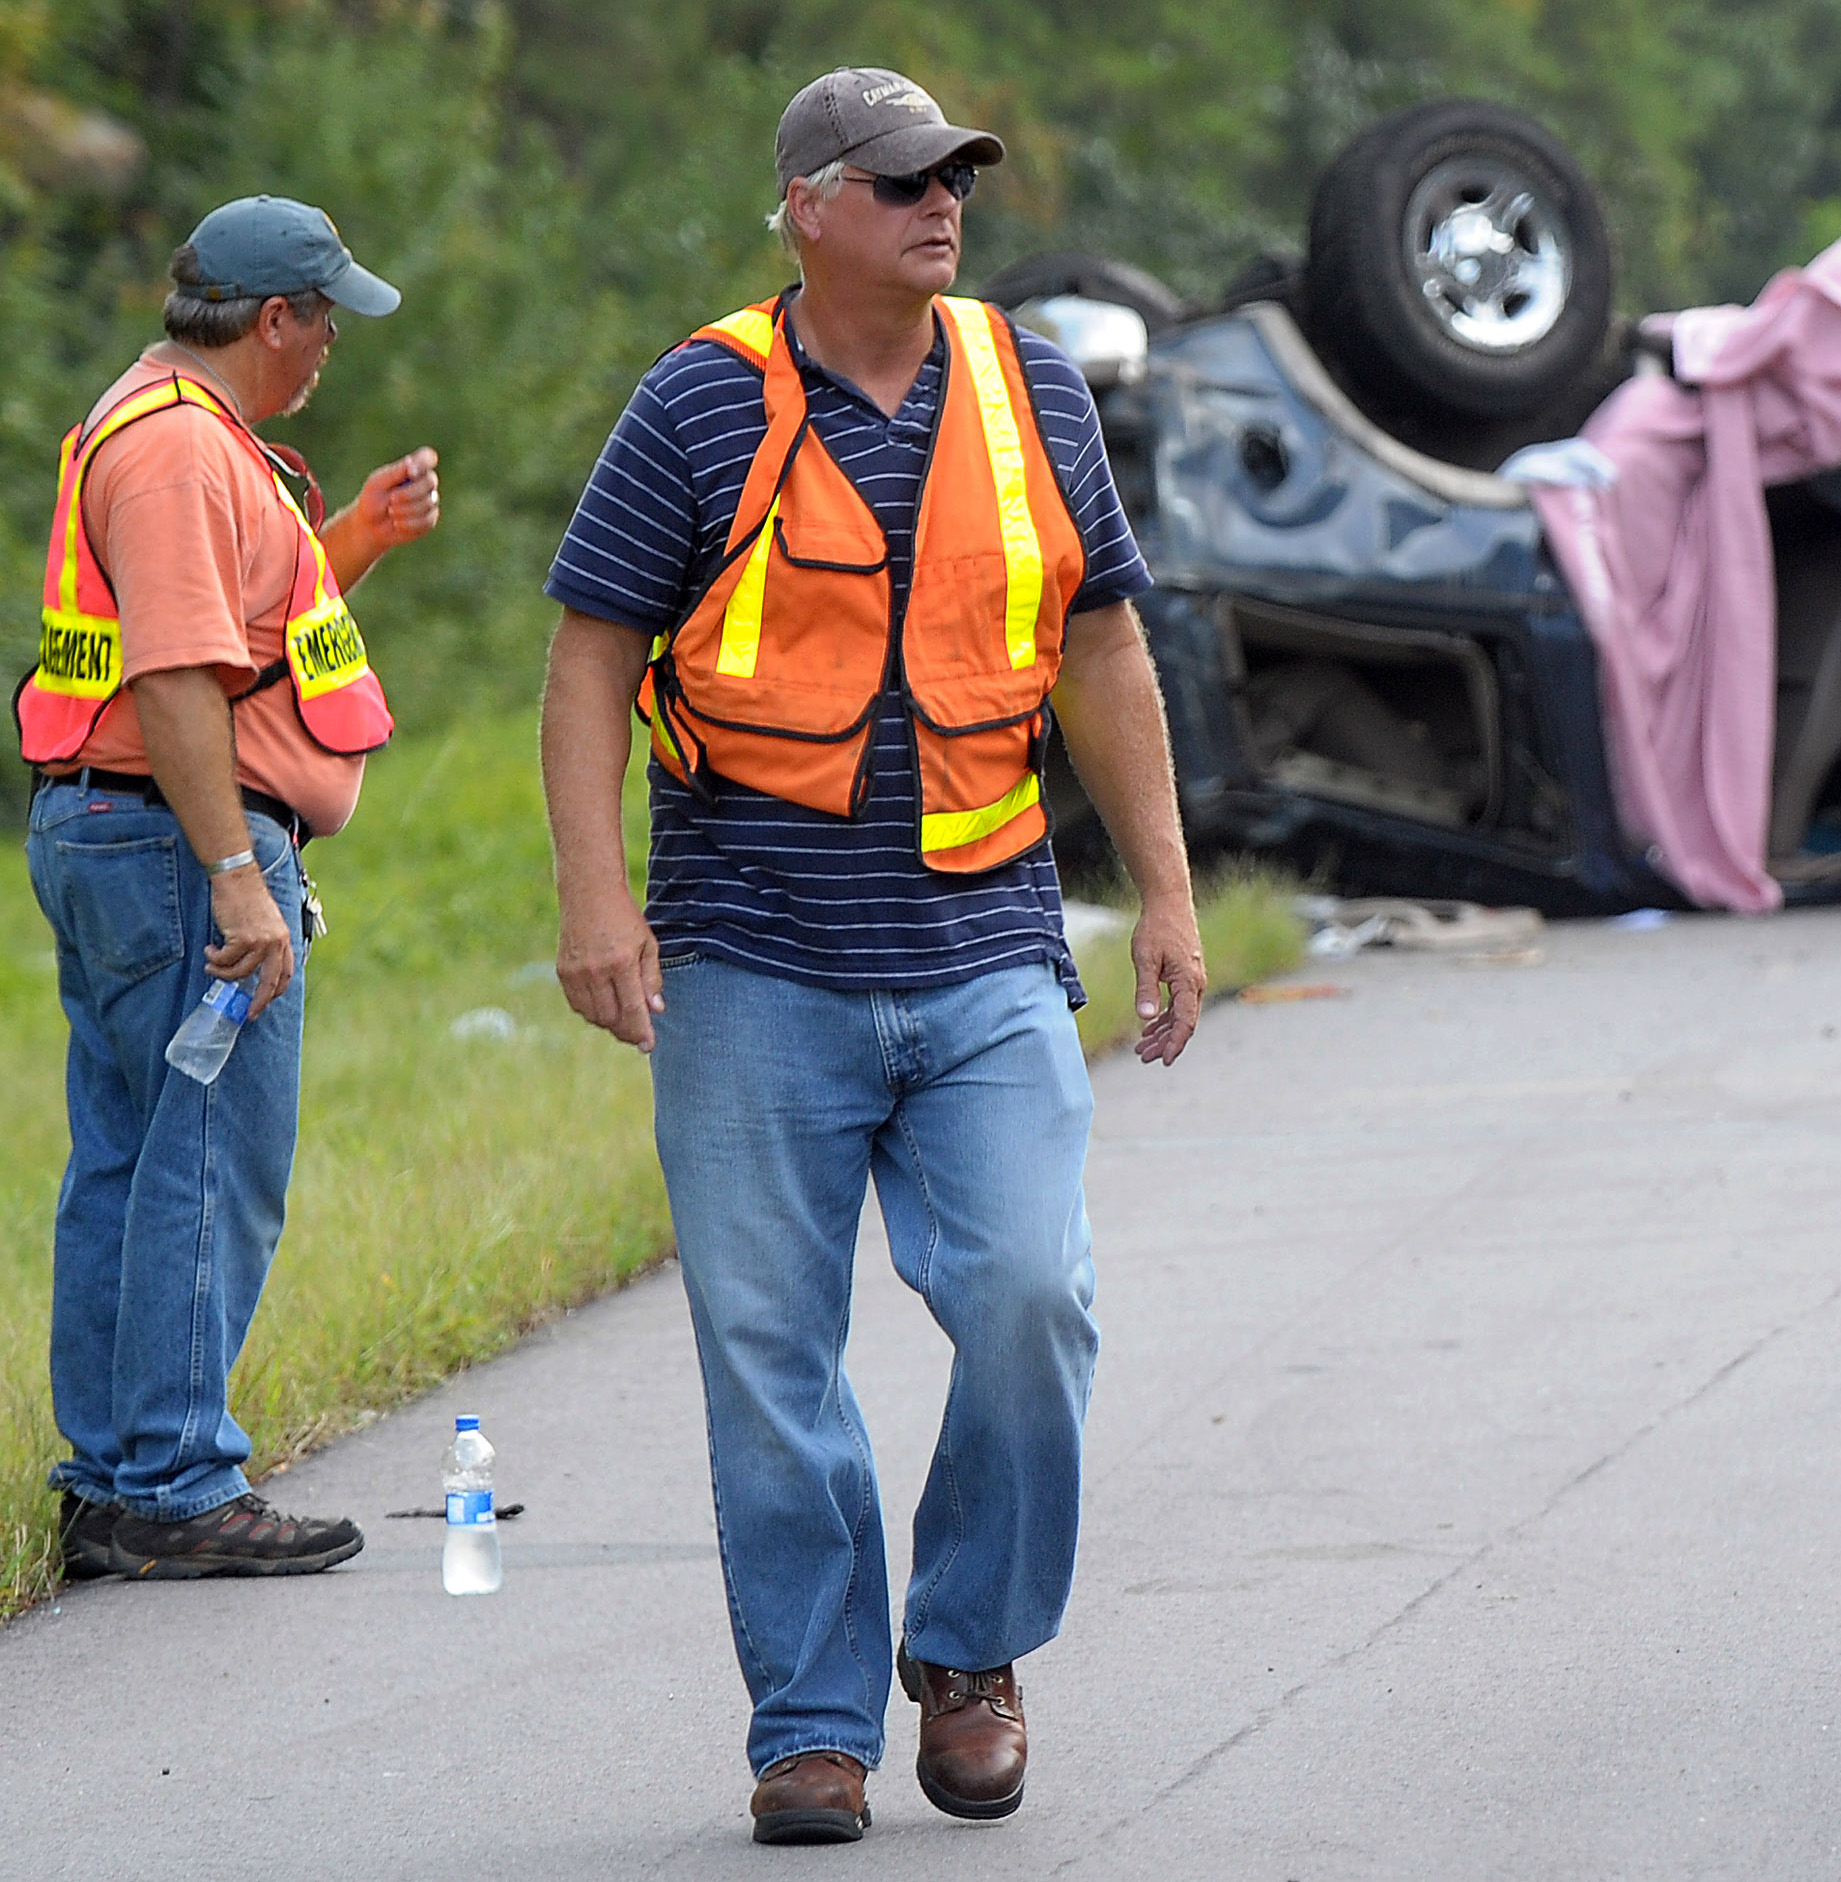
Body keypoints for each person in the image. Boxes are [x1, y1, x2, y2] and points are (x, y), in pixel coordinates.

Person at [538, 67, 1204, 1846]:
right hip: (752, 964)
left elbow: (1103, 646)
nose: (942, 202)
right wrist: (596, 901)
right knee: (772, 1359)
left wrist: (1168, 894)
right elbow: (593, 655)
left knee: (1030, 1303)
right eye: (903, 176)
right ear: (809, 207)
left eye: (956, 174)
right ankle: (812, 1722)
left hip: (985, 942)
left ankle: (970, 1648)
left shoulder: (1030, 384)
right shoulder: (698, 401)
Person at [17, 196, 439, 1581]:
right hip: (178, 851)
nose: (329, 344)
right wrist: (235, 881)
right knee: (208, 1165)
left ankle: (115, 1481)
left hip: (124, 836)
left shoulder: (161, 427)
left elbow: (237, 630)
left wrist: (356, 538)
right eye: (324, 318)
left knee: (134, 1162)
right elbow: (179, 679)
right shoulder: (184, 456)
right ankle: (180, 1480)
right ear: (275, 319)